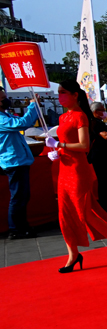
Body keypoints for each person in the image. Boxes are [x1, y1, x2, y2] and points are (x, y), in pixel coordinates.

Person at [47, 80, 107, 273]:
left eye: (64, 92)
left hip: (77, 171)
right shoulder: (63, 117)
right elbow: (66, 142)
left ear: (75, 95)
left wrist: (61, 146)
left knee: (85, 213)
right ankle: (73, 255)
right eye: (59, 92)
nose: (60, 96)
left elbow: (84, 146)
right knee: (65, 212)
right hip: (65, 169)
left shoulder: (81, 117)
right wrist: (56, 151)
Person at [0, 88, 39, 239]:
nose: (5, 100)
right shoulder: (1, 119)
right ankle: (16, 229)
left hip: (17, 161)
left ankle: (21, 226)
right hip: (13, 162)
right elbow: (24, 123)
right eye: (2, 98)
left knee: (22, 196)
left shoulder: (5, 115)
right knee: (18, 197)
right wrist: (33, 106)